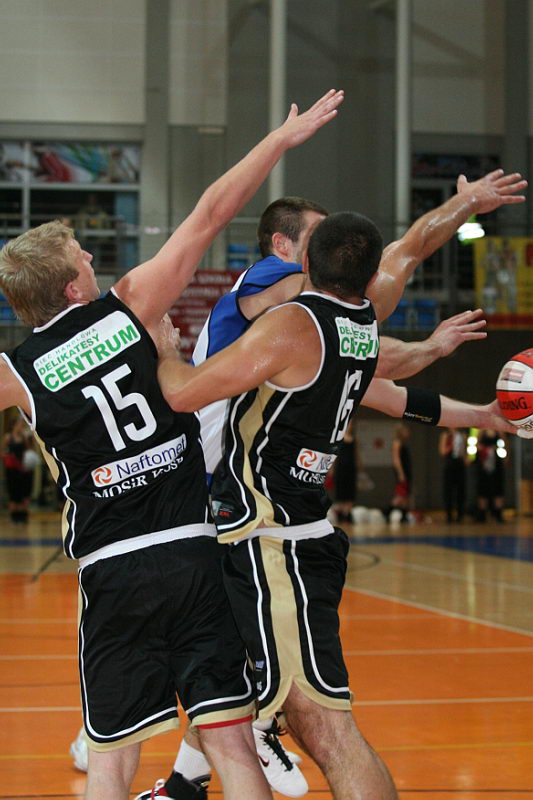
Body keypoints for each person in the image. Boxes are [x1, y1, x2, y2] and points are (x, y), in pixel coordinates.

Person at [136, 170, 528, 800]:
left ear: (305, 260)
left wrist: (162, 347)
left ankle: (255, 727)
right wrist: (461, 206)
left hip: (267, 535)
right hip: (288, 530)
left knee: (326, 730)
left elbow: (181, 392)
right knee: (221, 668)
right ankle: (192, 778)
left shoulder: (292, 323)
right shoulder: (358, 328)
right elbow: (406, 281)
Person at [0, 87, 345, 800]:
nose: (89, 253)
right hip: (192, 552)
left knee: (110, 760)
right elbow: (211, 213)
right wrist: (278, 141)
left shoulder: (17, 373)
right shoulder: (131, 306)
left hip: (113, 568)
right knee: (232, 746)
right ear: (72, 288)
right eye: (79, 254)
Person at [2, 414, 33, 523]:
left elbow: (28, 450)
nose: (21, 426)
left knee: (23, 492)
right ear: (14, 425)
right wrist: (8, 457)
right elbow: (2, 452)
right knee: (13, 492)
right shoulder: (8, 437)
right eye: (19, 424)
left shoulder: (24, 437)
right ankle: (14, 516)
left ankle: (23, 515)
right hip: (12, 469)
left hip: (22, 468)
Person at [475, 428, 507, 522]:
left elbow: (504, 444)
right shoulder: (482, 431)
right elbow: (477, 444)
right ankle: (482, 513)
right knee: (483, 487)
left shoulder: (499, 431)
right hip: (484, 462)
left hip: (496, 462)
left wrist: (504, 455)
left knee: (498, 487)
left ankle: (498, 513)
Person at [439, 427, 468, 523]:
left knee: (460, 490)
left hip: (460, 464)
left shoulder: (462, 435)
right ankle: (449, 515)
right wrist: (451, 444)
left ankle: (460, 514)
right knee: (448, 490)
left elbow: (464, 452)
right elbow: (442, 451)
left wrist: (466, 459)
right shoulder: (446, 435)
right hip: (449, 464)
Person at [387, 423, 412, 523]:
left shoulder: (403, 443)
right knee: (400, 495)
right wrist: (401, 473)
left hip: (407, 471)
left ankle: (404, 516)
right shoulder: (396, 443)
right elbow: (396, 460)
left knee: (406, 495)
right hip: (402, 472)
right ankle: (387, 513)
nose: (408, 433)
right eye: (405, 431)